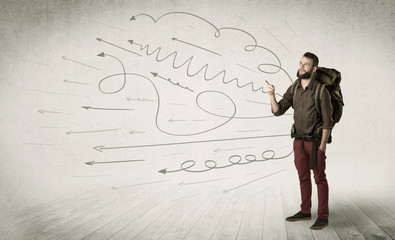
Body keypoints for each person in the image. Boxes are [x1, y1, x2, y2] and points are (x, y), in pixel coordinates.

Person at [265, 52, 333, 230]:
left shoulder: (321, 90)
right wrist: (271, 95)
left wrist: (323, 146)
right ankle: (305, 211)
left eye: (306, 64)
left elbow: (328, 121)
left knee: (319, 178)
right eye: (301, 63)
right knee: (303, 177)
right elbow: (278, 111)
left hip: (316, 142)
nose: (302, 66)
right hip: (298, 142)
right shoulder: (294, 88)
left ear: (314, 68)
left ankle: (323, 216)